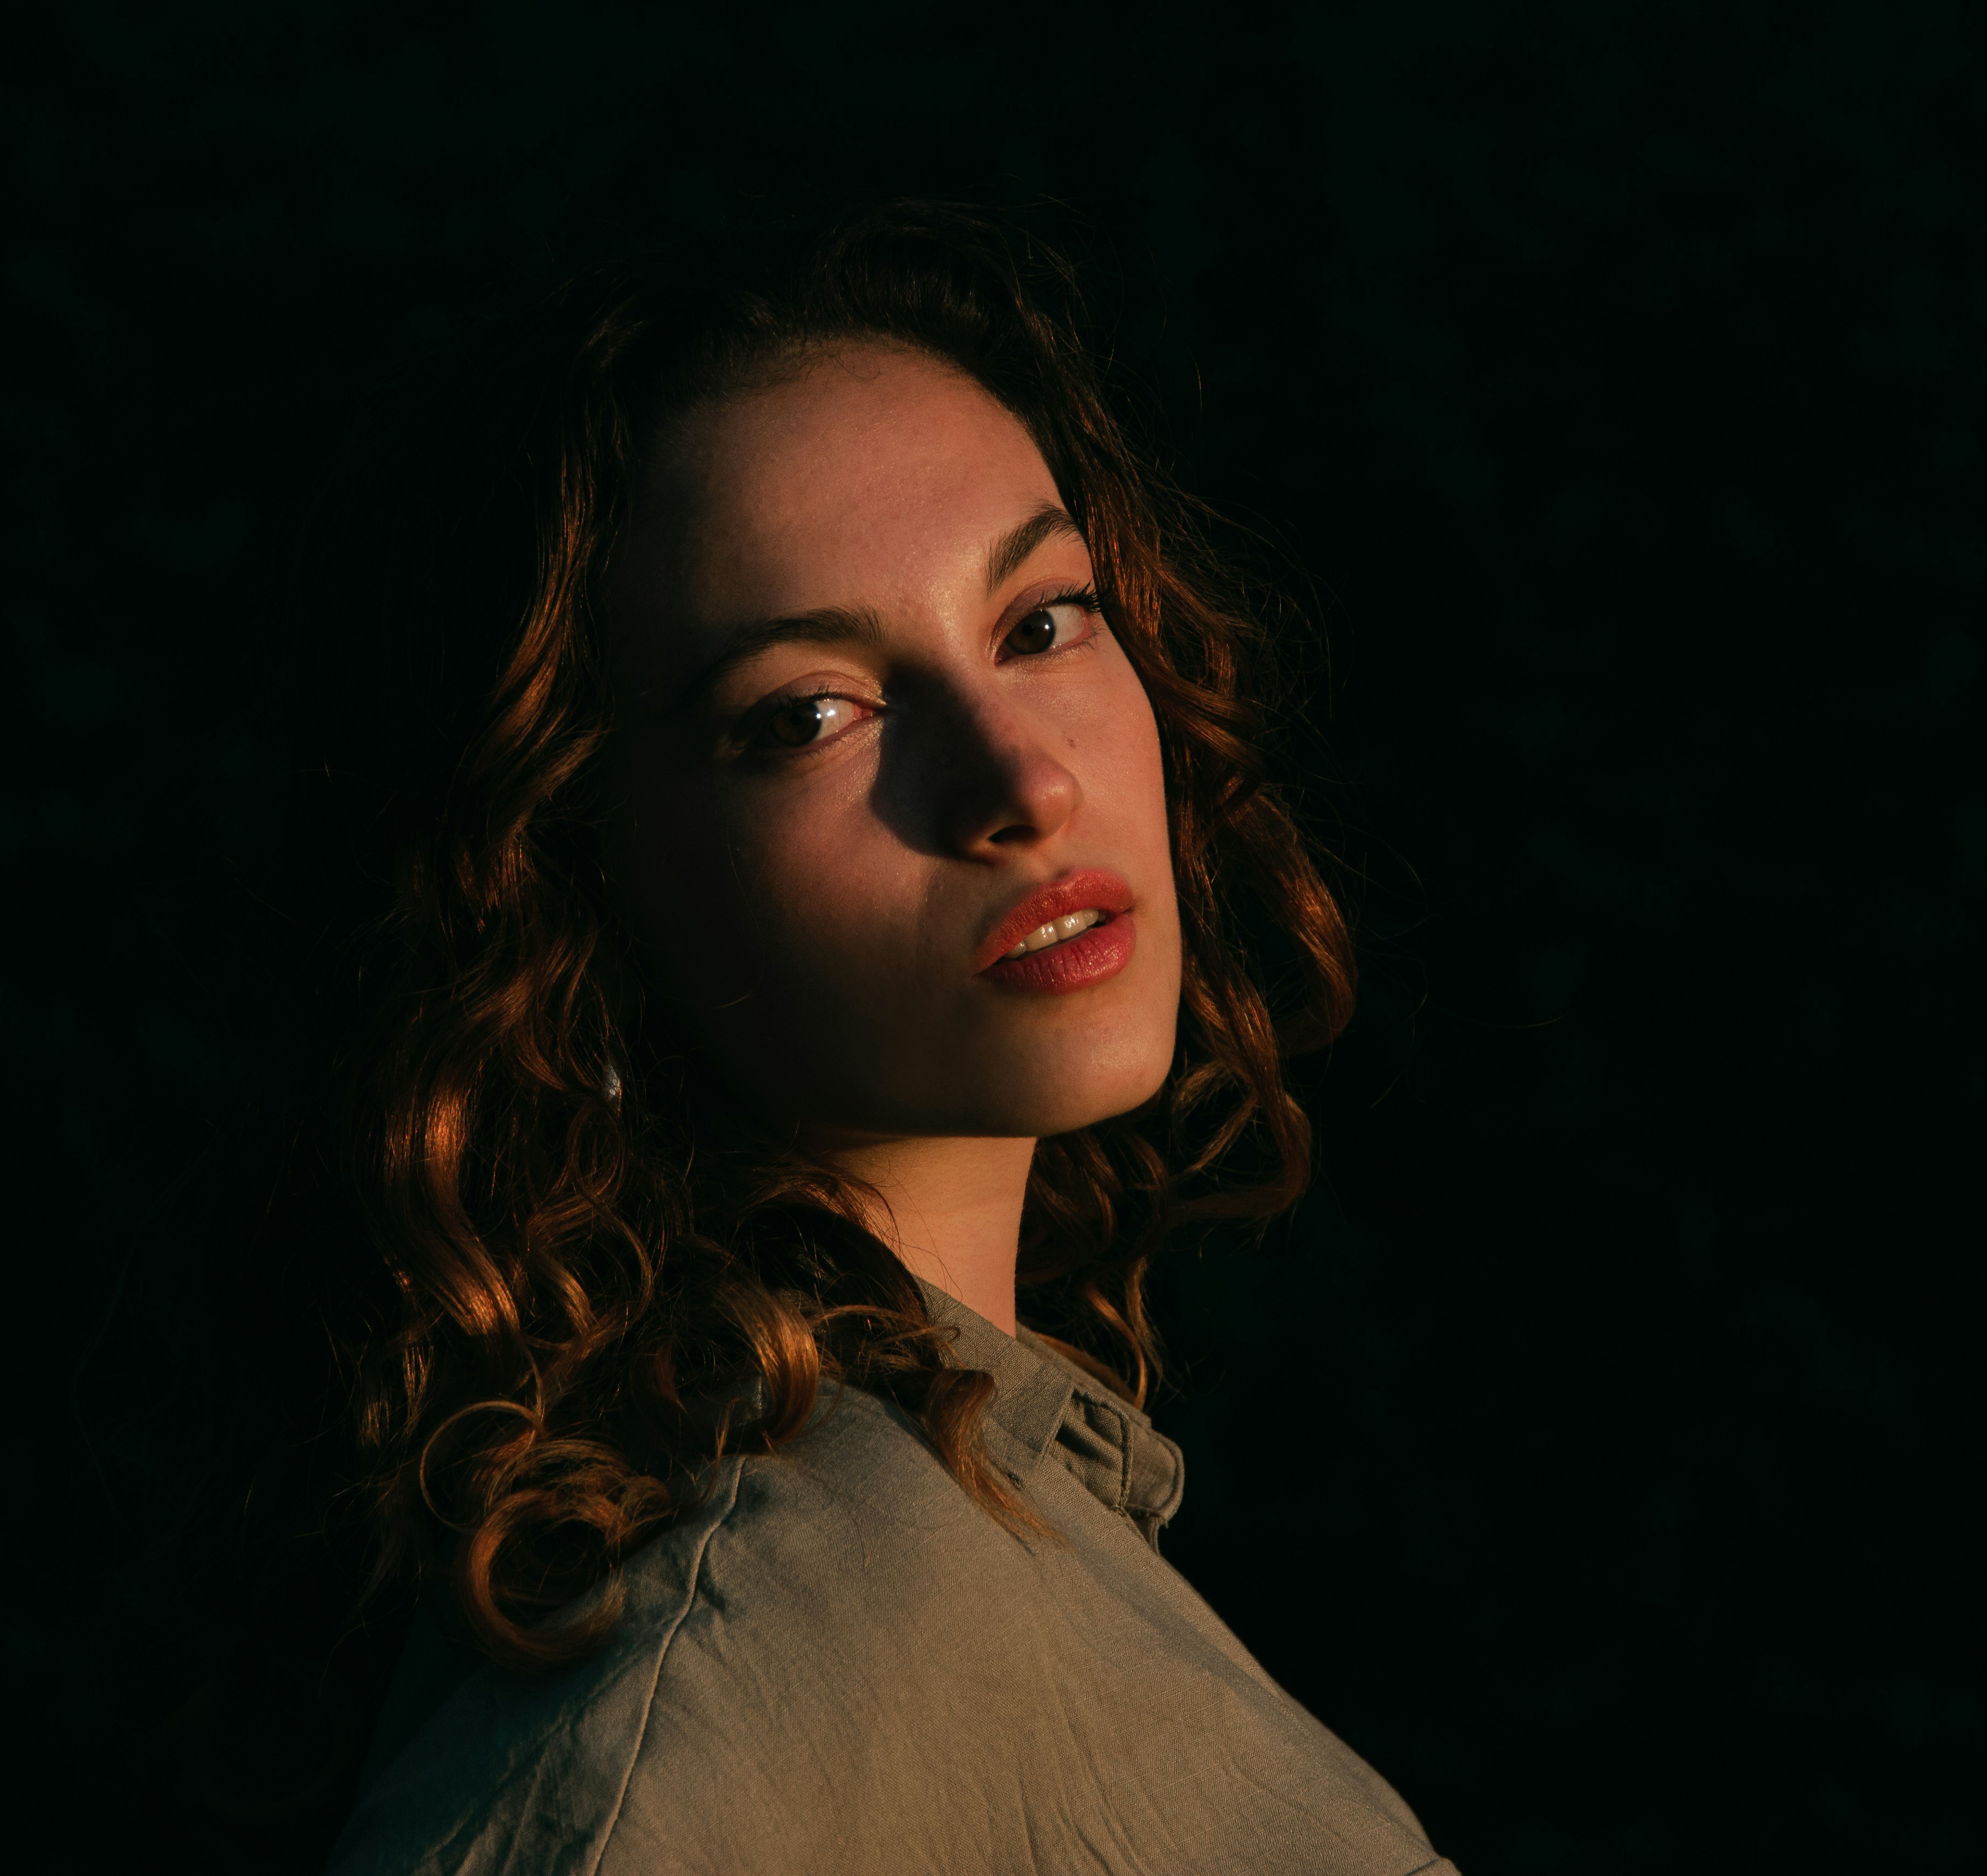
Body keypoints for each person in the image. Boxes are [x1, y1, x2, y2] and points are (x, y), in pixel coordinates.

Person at [283, 203, 1451, 1875]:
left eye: (1041, 621)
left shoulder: (973, 1500)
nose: (1021, 783)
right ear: (564, 893)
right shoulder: (752, 1640)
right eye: (808, 716)